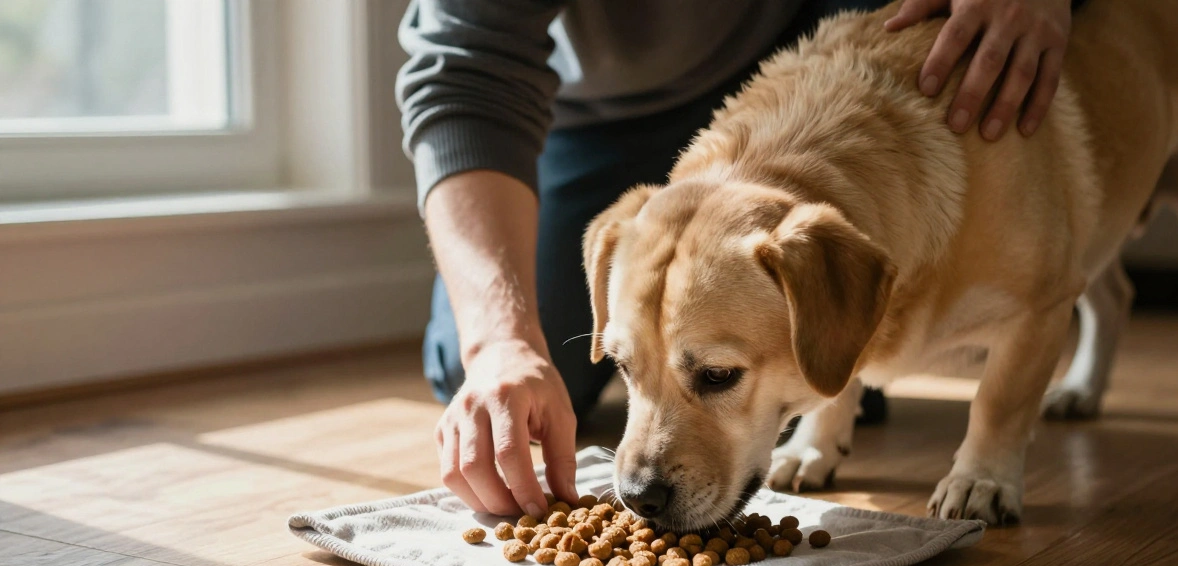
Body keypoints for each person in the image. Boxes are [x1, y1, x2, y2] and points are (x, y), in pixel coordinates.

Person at [397, 0, 1083, 518]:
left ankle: (820, 384)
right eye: (631, 365)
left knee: (838, 350)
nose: (640, 476)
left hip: (842, 26)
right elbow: (460, 71)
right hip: (607, 106)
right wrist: (500, 341)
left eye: (716, 376)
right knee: (482, 367)